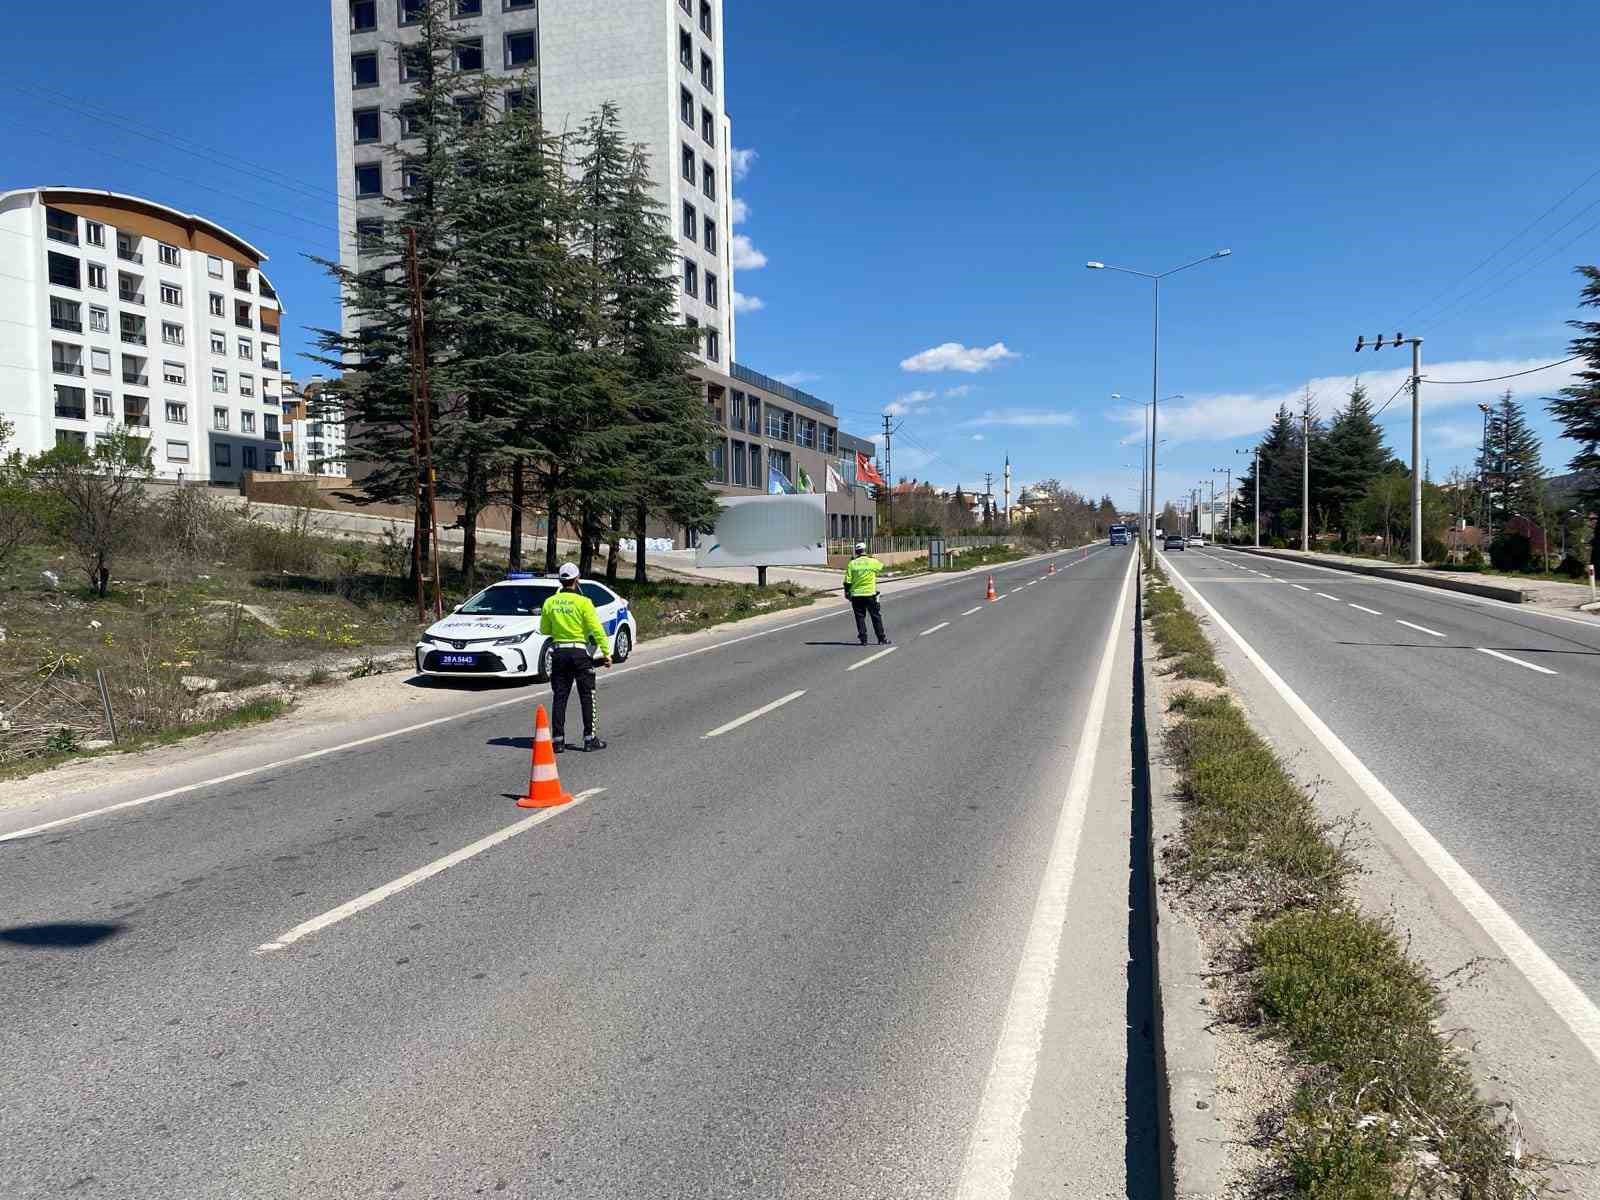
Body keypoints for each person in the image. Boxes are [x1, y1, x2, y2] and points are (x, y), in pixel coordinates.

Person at [538, 563, 612, 753]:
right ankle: (589, 739)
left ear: (560, 581)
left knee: (560, 697)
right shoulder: (584, 602)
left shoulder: (550, 602)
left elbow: (544, 629)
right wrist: (606, 653)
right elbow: (597, 629)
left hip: (559, 653)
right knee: (587, 696)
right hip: (580, 653)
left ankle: (558, 741)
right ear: (577, 579)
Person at [843, 542, 890, 646]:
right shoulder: (872, 562)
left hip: (856, 595)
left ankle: (863, 640)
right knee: (875, 616)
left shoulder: (852, 563)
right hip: (870, 594)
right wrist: (872, 559)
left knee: (860, 617)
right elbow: (882, 567)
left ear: (856, 552)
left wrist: (847, 592)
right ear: (865, 550)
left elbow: (847, 581)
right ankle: (881, 638)